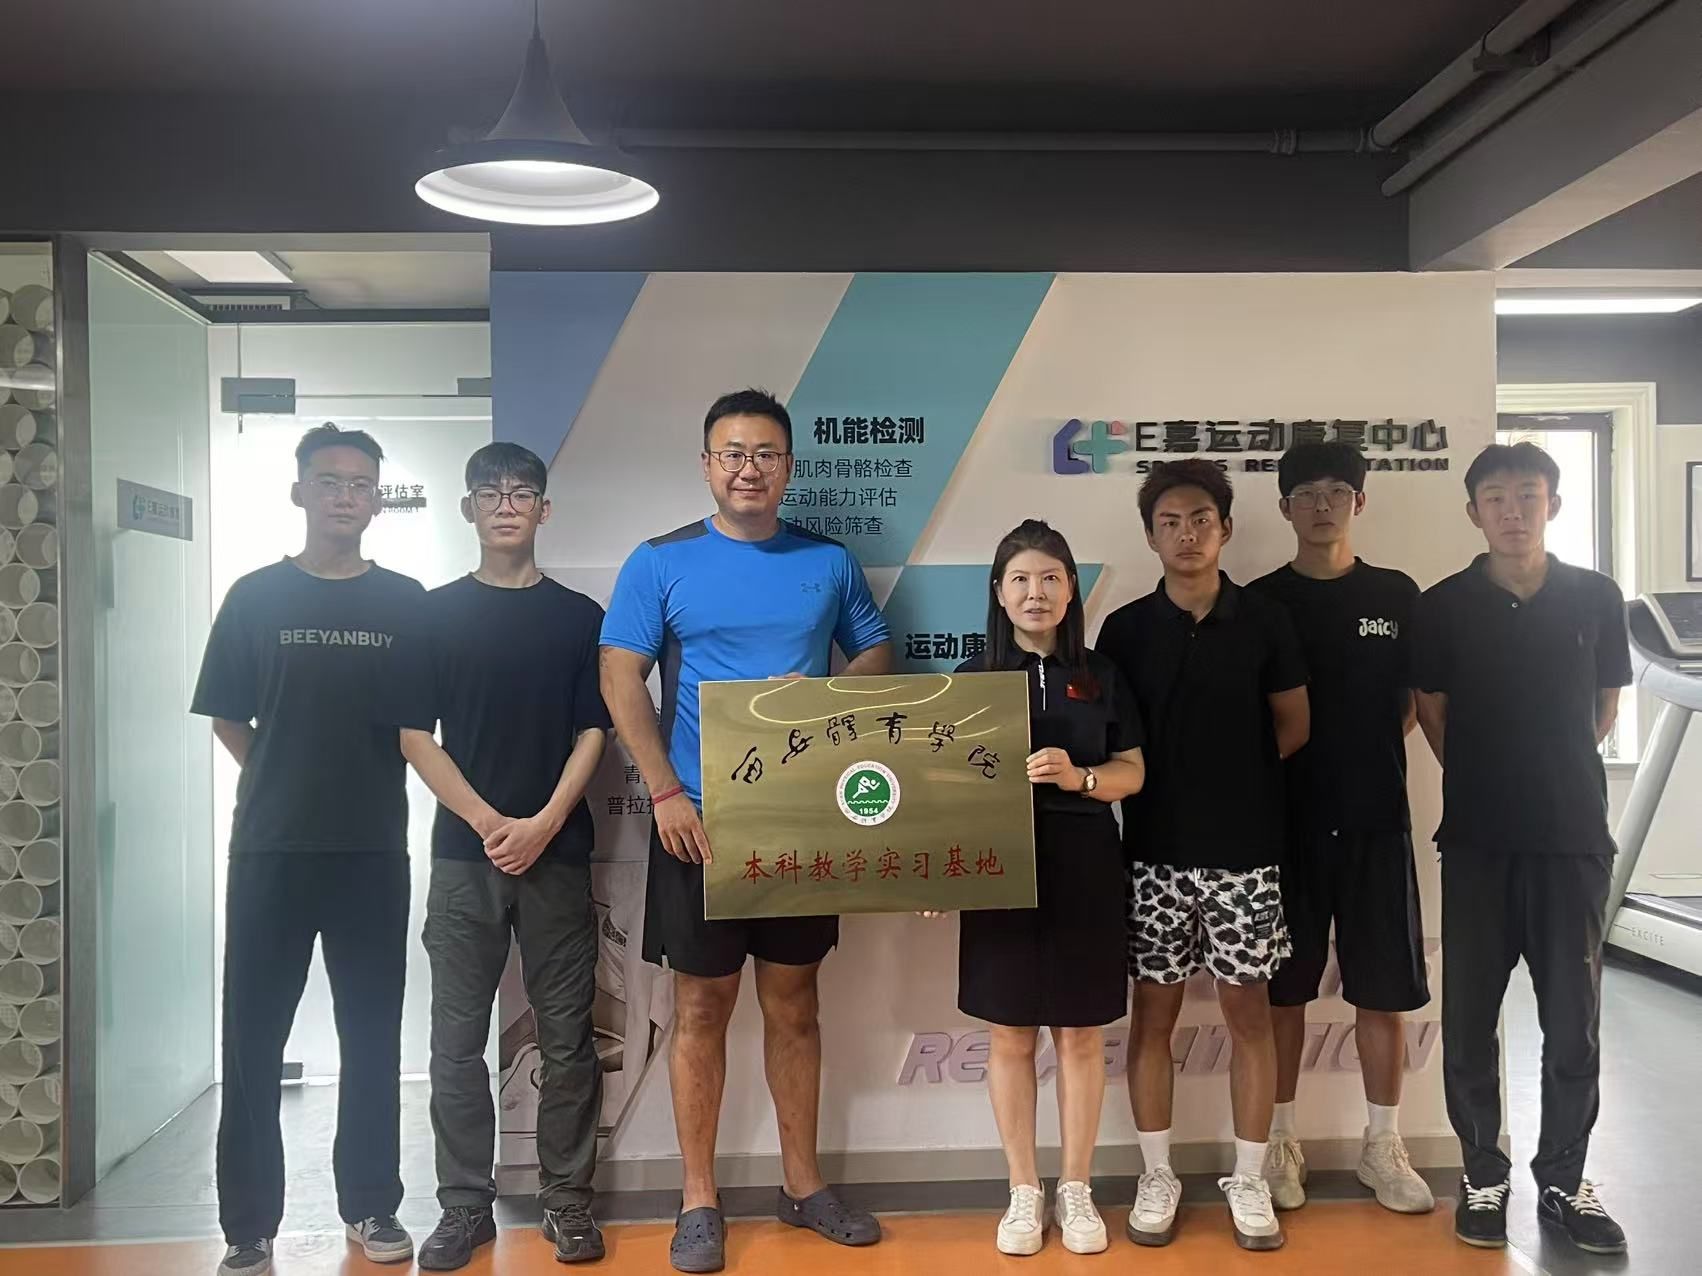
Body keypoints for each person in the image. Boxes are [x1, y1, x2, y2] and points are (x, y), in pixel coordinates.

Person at [599, 388, 894, 1274]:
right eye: (732, 453)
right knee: (700, 1008)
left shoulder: (828, 562)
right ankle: (699, 1199)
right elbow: (620, 678)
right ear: (706, 465)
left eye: (765, 453)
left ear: (789, 466)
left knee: (796, 1004)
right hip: (699, 822)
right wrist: (665, 792)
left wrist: (832, 696)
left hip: (799, 820)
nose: (748, 468)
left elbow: (875, 650)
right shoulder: (661, 561)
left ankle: (803, 1186)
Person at [191, 424, 429, 1276]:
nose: (345, 496)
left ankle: (371, 1204)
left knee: (372, 1037)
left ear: (377, 500)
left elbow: (418, 728)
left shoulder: (405, 602)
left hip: (372, 852)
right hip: (271, 852)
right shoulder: (255, 597)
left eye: (361, 484)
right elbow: (227, 715)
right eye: (330, 481)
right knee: (253, 1038)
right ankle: (248, 1226)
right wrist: (281, 776)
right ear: (300, 492)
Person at [1412, 442, 1630, 1256]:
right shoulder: (1442, 605)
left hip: (1573, 842)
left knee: (1574, 1024)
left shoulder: (1596, 596)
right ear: (1474, 512)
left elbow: (1603, 707)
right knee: (1469, 1020)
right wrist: (1487, 779)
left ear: (1553, 505)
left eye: (1528, 495)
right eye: (1497, 498)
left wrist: (1551, 773)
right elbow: (1431, 711)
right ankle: (1483, 1173)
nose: (1513, 511)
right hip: (1478, 841)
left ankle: (1565, 1180)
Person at [401, 443, 612, 1269]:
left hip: (558, 856)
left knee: (567, 1040)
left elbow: (594, 731)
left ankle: (568, 1203)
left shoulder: (579, 617)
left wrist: (544, 823)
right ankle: (464, 1209)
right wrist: (493, 822)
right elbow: (416, 736)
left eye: (521, 493)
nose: (505, 506)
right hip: (465, 857)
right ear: (468, 509)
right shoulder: (433, 614)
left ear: (544, 510)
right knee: (457, 1044)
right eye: (489, 494)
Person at [1097, 459, 1309, 1254]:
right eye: (1169, 523)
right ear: (1150, 536)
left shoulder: (1265, 620)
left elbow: (1294, 724)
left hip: (1246, 854)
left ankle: (1249, 1178)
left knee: (1248, 1015)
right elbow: (1114, 741)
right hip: (1153, 853)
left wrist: (1236, 781)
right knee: (1153, 1015)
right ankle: (1158, 1175)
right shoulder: (1125, 630)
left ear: (1225, 528)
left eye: (1200, 520)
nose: (1186, 535)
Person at [941, 519, 1145, 1256]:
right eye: (1022, 579)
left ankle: (1077, 1188)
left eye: (1051, 578)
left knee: (1082, 1033)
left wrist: (1079, 777)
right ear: (999, 593)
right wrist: (934, 865)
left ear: (1071, 590)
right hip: (997, 867)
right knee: (1009, 1033)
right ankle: (1023, 1190)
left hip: (1085, 861)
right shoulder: (970, 680)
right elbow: (942, 788)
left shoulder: (1102, 673)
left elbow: (1133, 772)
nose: (1036, 592)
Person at [1248, 442, 1433, 1216]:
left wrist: (1363, 760)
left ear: (1360, 502)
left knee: (1382, 990)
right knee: (1282, 994)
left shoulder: (1397, 594)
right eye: (1306, 493)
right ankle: (1280, 1139)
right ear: (1284, 507)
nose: (1321, 505)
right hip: (1284, 825)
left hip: (1375, 819)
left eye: (1336, 491)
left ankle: (1383, 1144)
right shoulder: (1260, 601)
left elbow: (1412, 704)